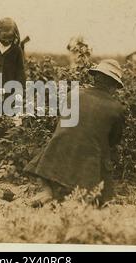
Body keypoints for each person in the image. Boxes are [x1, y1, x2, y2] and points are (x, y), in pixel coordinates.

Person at [24, 59, 125, 207]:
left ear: (95, 78)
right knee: (102, 195)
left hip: (57, 149)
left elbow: (63, 121)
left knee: (58, 143)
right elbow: (114, 140)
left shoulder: (74, 93)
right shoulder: (116, 108)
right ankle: (73, 201)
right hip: (89, 159)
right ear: (114, 86)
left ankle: (48, 192)